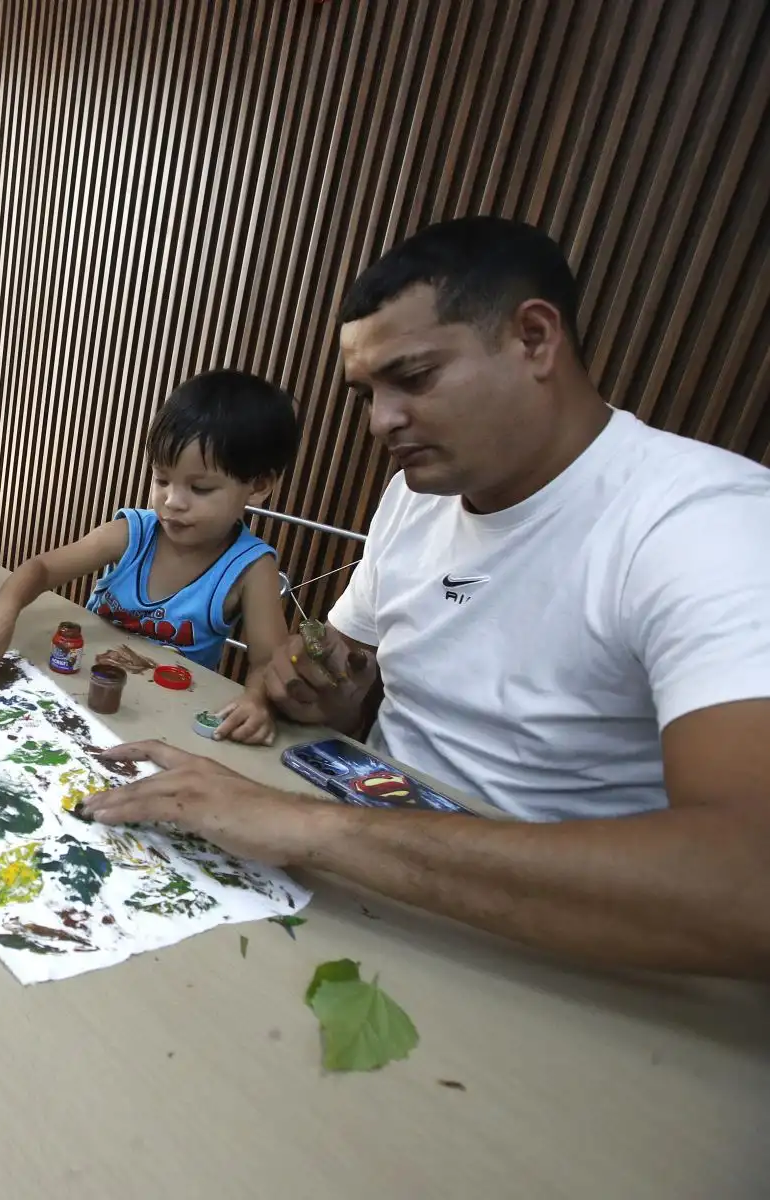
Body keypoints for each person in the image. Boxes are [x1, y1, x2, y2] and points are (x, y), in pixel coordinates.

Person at [80, 216, 770, 979]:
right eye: (365, 394)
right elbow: (346, 692)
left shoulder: (709, 522)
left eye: (413, 379)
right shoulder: (418, 495)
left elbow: (744, 882)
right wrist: (316, 694)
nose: (381, 422)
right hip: (362, 865)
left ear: (535, 339)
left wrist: (310, 828)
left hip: (547, 950)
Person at [0, 370, 300, 743]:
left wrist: (256, 701)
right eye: (161, 480)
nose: (172, 501)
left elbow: (267, 663)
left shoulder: (252, 567)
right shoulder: (133, 533)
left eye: (200, 488)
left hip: (161, 721)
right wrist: (5, 606)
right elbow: (42, 568)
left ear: (258, 486)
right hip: (76, 692)